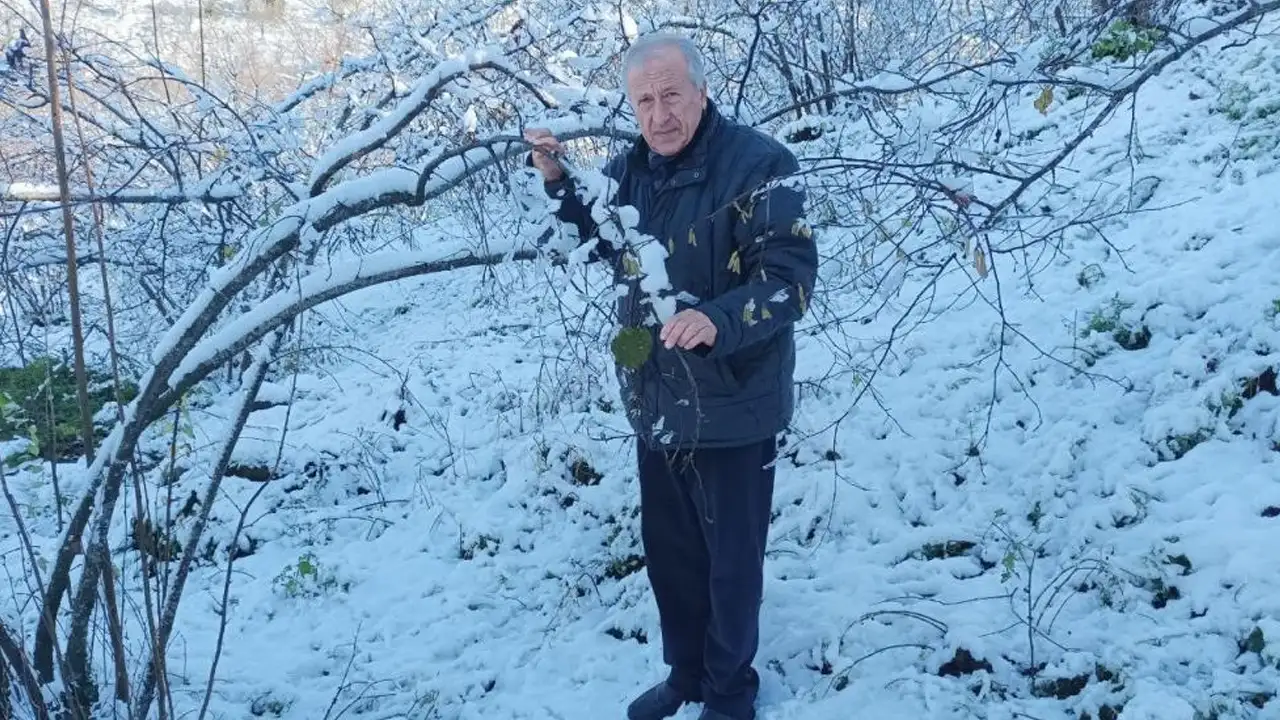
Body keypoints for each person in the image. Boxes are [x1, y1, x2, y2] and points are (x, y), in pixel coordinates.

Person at [523, 31, 818, 720]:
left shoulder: (760, 164)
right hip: (658, 400)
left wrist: (718, 319)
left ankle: (728, 692)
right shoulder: (632, 170)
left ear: (702, 92)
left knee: (730, 564)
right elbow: (601, 238)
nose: (659, 115)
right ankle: (686, 674)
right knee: (673, 556)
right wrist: (558, 180)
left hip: (734, 401)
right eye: (645, 101)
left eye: (672, 95)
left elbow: (789, 280)